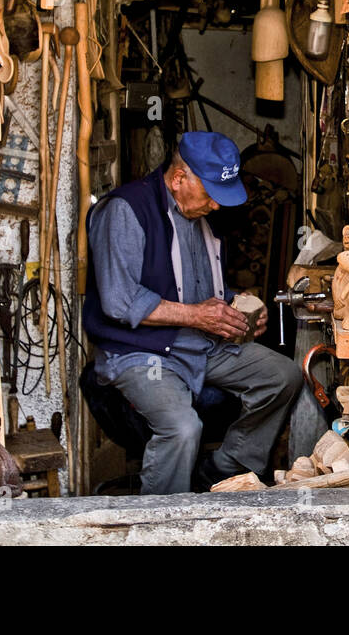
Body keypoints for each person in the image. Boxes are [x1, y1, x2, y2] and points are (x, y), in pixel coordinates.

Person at [83, 131, 302, 494]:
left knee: (283, 376)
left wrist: (234, 304)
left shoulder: (199, 213)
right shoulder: (126, 210)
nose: (216, 206)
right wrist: (197, 316)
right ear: (180, 178)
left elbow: (195, 289)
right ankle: (162, 522)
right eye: (212, 195)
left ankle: (223, 472)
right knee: (183, 429)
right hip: (143, 353)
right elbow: (119, 301)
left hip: (200, 343)